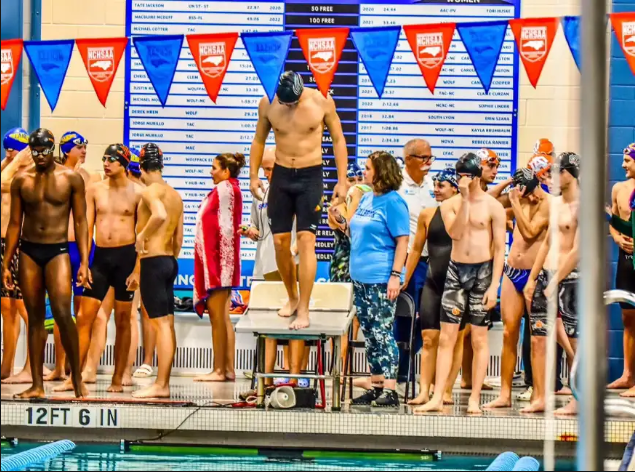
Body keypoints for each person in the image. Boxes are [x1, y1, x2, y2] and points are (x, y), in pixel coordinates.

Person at [249, 71, 349, 331]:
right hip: (281, 177)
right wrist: (252, 176)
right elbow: (259, 140)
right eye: (284, 103)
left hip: (310, 177)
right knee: (280, 243)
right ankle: (292, 297)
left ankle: (304, 307)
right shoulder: (267, 104)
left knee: (306, 241)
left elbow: (338, 139)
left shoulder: (321, 101)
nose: (288, 107)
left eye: (291, 103)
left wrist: (342, 180)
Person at [2, 128, 90, 399]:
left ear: (52, 149)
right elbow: (15, 223)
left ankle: (77, 379)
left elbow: (81, 221)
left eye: (44, 152)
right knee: (36, 318)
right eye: (35, 152)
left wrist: (85, 262)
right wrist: (6, 264)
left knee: (64, 314)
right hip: (28, 252)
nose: (40, 157)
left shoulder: (71, 178)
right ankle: (37, 385)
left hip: (58, 252)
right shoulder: (21, 180)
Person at [416, 153, 506, 415]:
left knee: (478, 339)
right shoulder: (450, 205)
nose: (463, 181)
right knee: (446, 338)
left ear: (477, 177)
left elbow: (499, 249)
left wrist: (494, 287)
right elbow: (455, 233)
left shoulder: (493, 207)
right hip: (456, 273)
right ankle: (436, 396)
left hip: (483, 273)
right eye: (460, 177)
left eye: (467, 176)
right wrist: (465, 199)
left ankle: (474, 398)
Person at [55, 144, 141, 394]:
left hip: (126, 258)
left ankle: (117, 379)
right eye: (104, 158)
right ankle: (74, 379)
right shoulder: (94, 190)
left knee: (123, 320)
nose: (106, 163)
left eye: (112, 159)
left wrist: (137, 270)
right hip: (100, 258)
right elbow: (86, 226)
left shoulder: (138, 193)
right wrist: (84, 263)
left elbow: (142, 235)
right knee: (84, 319)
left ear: (123, 163)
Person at [484, 168, 550, 409]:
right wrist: (508, 185)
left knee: (537, 338)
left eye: (531, 193)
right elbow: (487, 201)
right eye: (524, 193)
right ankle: (504, 394)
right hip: (512, 273)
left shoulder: (549, 204)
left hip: (537, 275)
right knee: (508, 333)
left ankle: (538, 394)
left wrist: (515, 203)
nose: (529, 198)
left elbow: (530, 231)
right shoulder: (518, 198)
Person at [348, 151, 410, 408]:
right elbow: (355, 230)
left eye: (368, 168)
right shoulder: (366, 198)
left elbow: (402, 241)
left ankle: (391, 389)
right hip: (360, 278)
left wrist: (395, 276)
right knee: (370, 335)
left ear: (381, 172)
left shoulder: (394, 202)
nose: (364, 172)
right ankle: (376, 386)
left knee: (383, 333)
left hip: (381, 278)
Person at [523, 152, 581, 415]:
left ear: (571, 173)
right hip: (547, 275)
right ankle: (540, 397)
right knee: (538, 339)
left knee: (575, 341)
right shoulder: (555, 205)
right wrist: (533, 278)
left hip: (571, 280)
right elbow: (547, 242)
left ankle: (577, 399)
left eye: (558, 172)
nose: (553, 177)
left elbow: (578, 250)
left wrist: (555, 281)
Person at [403, 168, 463, 406]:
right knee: (429, 338)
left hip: (459, 284)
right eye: (435, 184)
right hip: (433, 280)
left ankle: (446, 390)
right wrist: (404, 277)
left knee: (455, 339)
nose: (436, 189)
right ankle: (423, 391)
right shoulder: (427, 214)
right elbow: (416, 249)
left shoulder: (464, 214)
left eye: (442, 185)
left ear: (455, 189)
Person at [45, 132, 99, 382]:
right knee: (61, 310)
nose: (84, 150)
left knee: (84, 312)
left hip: (85, 247)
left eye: (85, 146)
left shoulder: (91, 177)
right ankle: (59, 366)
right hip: (60, 247)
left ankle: (79, 367)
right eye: (79, 146)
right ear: (67, 150)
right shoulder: (53, 175)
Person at [131, 143, 183, 399]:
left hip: (153, 261)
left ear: (141, 167)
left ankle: (161, 385)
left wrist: (142, 236)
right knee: (168, 325)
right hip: (169, 262)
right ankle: (164, 382)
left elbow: (159, 215)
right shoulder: (175, 194)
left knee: (160, 325)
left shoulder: (150, 191)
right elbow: (179, 240)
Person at [193, 153, 244, 383]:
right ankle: (227, 368)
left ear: (225, 171)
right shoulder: (227, 189)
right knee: (222, 317)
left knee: (217, 316)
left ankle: (219, 370)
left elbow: (222, 229)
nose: (210, 171)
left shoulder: (226, 189)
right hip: (221, 262)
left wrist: (212, 268)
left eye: (214, 168)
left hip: (219, 264)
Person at [1, 129, 34, 384]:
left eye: (13, 148)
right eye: (6, 148)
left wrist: (20, 160)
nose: (8, 153)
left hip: (19, 245)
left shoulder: (26, 173)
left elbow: (5, 183)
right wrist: (11, 159)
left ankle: (33, 366)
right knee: (7, 308)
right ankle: (6, 366)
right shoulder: (8, 167)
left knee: (25, 308)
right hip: (2, 245)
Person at [607, 144, 635, 397]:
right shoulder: (618, 189)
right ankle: (627, 375)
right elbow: (614, 224)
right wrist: (616, 238)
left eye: (627, 160)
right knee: (628, 319)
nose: (623, 165)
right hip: (626, 260)